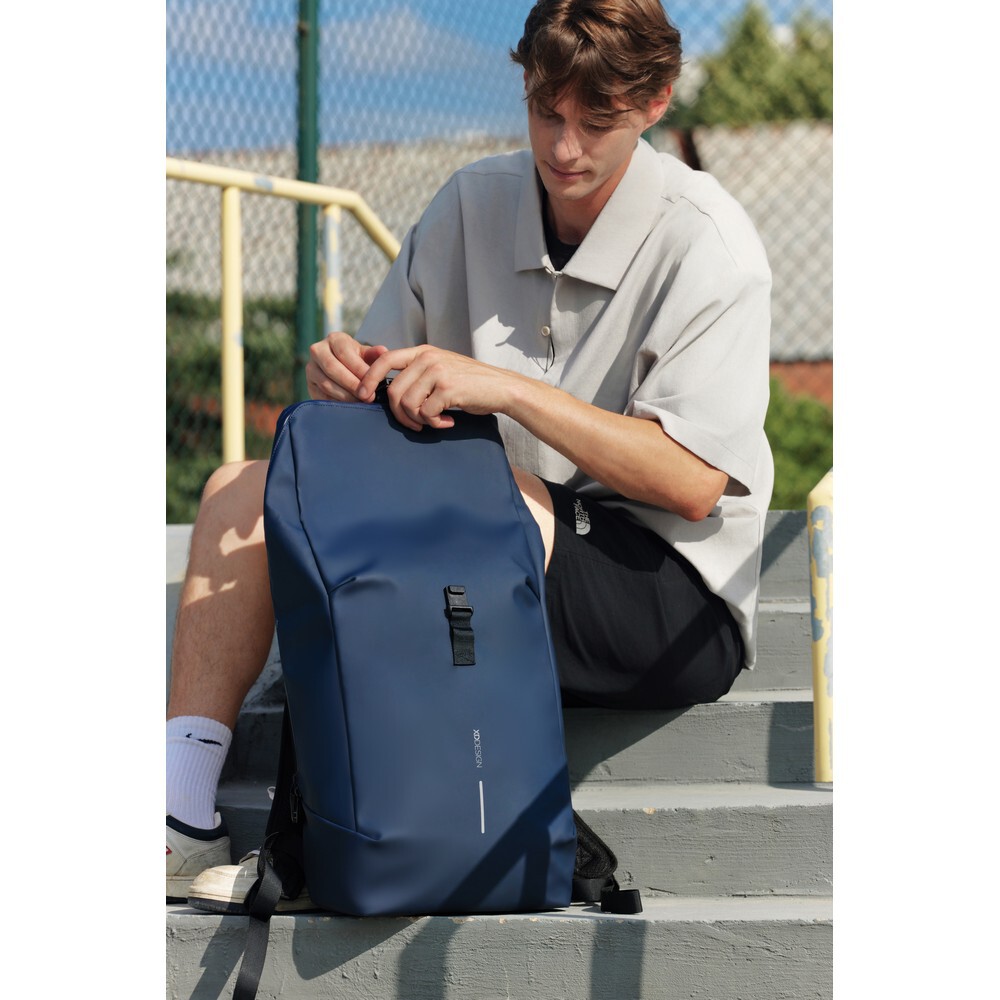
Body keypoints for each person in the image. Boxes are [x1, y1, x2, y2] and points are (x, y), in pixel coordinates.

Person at [166, 0, 773, 907]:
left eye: (597, 121)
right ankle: (178, 816)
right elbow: (376, 412)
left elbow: (691, 483)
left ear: (655, 104)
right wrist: (350, 379)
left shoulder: (708, 239)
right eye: (545, 111)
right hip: (495, 534)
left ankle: (315, 839)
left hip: (668, 588)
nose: (563, 147)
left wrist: (508, 389)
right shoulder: (469, 202)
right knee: (242, 489)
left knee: (492, 508)